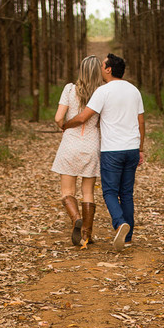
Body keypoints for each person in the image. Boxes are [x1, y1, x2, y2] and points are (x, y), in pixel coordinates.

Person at [61, 53, 144, 252]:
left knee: (109, 192)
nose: (100, 68)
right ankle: (127, 238)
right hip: (132, 148)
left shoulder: (103, 91)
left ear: (108, 69)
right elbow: (141, 122)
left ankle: (120, 223)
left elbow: (83, 117)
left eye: (102, 65)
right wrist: (141, 148)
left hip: (112, 150)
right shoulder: (134, 90)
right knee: (126, 193)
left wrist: (65, 125)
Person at [50, 55, 102, 248]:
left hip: (70, 145)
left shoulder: (70, 89)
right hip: (91, 145)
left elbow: (58, 118)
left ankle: (76, 218)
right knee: (88, 192)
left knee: (67, 192)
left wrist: (63, 126)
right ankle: (86, 235)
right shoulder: (102, 92)